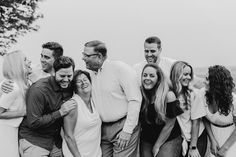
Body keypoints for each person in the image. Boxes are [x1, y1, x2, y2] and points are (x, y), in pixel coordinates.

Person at [82, 40, 142, 157]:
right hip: (102, 129)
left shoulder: (120, 69)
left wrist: (127, 130)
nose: (83, 58)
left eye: (87, 55)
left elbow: (135, 100)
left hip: (122, 126)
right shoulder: (91, 74)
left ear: (99, 56)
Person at [18, 56, 77, 157]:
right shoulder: (38, 90)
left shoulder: (70, 85)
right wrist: (60, 112)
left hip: (55, 142)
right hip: (34, 141)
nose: (66, 80)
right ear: (53, 72)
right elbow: (33, 122)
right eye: (62, 76)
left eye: (69, 76)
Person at [139, 63, 183, 157]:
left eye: (152, 76)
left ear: (158, 79)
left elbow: (170, 125)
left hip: (168, 137)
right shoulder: (141, 95)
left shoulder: (168, 96)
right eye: (145, 75)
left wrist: (157, 146)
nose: (147, 78)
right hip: (147, 138)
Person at [192, 65, 236, 157]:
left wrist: (225, 148)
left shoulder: (233, 100)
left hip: (231, 137)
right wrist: (212, 140)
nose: (204, 81)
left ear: (216, 83)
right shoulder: (202, 94)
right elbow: (204, 118)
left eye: (207, 79)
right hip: (213, 133)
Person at [133, 36, 203, 88]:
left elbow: (195, 81)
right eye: (146, 51)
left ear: (160, 50)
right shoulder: (137, 68)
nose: (149, 54)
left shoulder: (173, 65)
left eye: (152, 51)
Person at [169, 61, 207, 157]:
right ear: (176, 74)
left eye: (190, 75)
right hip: (181, 137)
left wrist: (193, 147)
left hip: (197, 138)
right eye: (185, 74)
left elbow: (196, 122)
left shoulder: (193, 94)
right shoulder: (171, 93)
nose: (189, 78)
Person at [62, 70, 102, 157]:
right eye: (79, 81)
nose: (83, 82)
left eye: (85, 79)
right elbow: (68, 136)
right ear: (74, 86)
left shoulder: (94, 101)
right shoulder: (73, 105)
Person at [0, 50, 31, 157]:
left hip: (13, 131)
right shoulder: (13, 87)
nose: (29, 61)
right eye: (25, 60)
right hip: (5, 131)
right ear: (18, 64)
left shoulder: (22, 84)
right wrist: (23, 112)